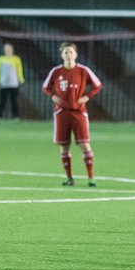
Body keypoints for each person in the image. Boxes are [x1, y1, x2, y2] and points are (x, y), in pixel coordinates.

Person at [42, 42, 102, 186]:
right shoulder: (56, 72)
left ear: (75, 54)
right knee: (64, 146)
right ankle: (69, 178)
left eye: (71, 52)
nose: (68, 55)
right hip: (62, 112)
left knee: (84, 144)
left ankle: (91, 178)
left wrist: (86, 97)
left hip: (79, 112)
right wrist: (53, 96)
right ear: (62, 55)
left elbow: (98, 85)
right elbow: (45, 87)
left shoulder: (83, 70)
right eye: (66, 52)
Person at [0, 42, 25, 119]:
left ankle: (16, 117)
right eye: (6, 49)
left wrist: (21, 79)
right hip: (4, 84)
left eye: (9, 49)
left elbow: (19, 70)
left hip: (14, 84)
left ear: (12, 50)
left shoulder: (16, 59)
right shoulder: (0, 59)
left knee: (14, 101)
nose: (8, 50)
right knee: (2, 101)